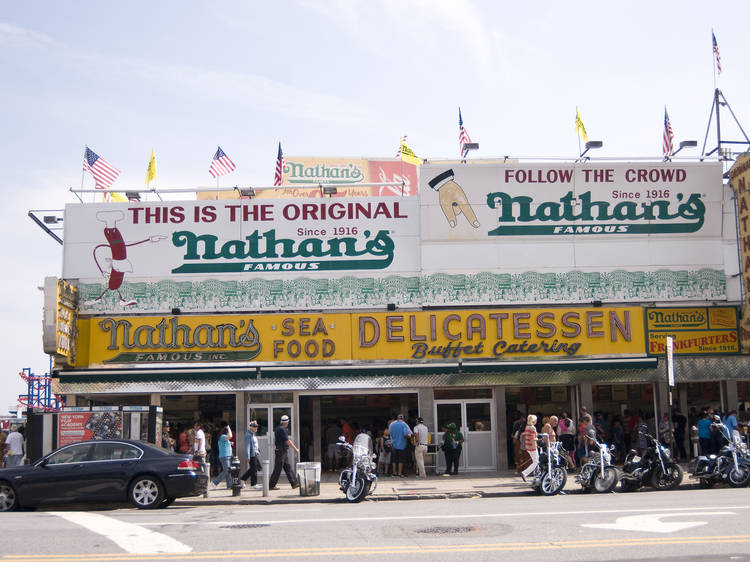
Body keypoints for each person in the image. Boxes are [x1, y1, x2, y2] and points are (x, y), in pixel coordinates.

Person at [269, 415, 300, 490]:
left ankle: (294, 483)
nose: (288, 423)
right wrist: (296, 449)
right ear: (286, 422)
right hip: (281, 451)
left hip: (282, 451)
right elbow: (287, 441)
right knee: (278, 469)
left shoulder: (278, 428)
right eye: (288, 422)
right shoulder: (282, 429)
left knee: (288, 467)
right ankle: (271, 485)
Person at [241, 420, 262, 489]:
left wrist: (258, 450)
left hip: (255, 453)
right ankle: (253, 484)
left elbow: (255, 444)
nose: (256, 428)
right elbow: (247, 446)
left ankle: (242, 479)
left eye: (256, 427)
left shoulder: (252, 434)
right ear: (251, 427)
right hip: (252, 454)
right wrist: (248, 456)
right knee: (254, 469)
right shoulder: (248, 435)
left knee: (255, 468)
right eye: (254, 427)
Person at [519, 415, 538, 482]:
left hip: (528, 446)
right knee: (536, 462)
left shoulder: (527, 427)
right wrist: (538, 438)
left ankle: (536, 474)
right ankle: (524, 473)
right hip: (532, 446)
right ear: (533, 421)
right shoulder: (533, 428)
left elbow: (526, 434)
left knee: (535, 460)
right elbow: (533, 438)